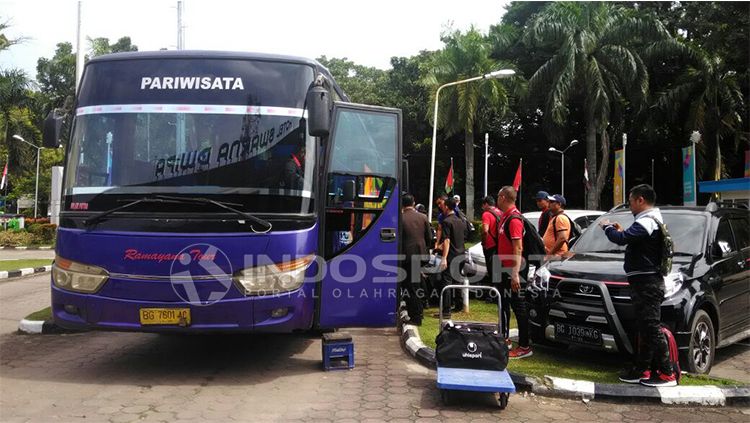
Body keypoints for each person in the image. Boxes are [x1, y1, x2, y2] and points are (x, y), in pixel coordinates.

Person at [601, 184, 676, 387]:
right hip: (644, 282)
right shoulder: (648, 221)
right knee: (644, 327)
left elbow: (622, 239)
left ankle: (666, 373)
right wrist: (622, 231)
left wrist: (607, 227)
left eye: (631, 201)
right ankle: (642, 369)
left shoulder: (647, 220)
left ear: (640, 200)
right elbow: (632, 237)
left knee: (651, 327)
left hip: (648, 283)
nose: (630, 205)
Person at [496, 185, 533, 359]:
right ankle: (506, 338)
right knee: (505, 303)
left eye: (498, 196)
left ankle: (525, 345)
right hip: (505, 269)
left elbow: (518, 248)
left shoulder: (515, 219)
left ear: (503, 197)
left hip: (515, 270)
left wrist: (515, 274)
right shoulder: (505, 217)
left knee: (519, 307)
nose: (497, 199)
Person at [400, 194, 431, 326]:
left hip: (406, 256)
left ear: (402, 204)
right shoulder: (423, 217)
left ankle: (416, 317)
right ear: (413, 203)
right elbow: (428, 237)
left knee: (410, 287)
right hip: (420, 254)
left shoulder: (400, 218)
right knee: (415, 285)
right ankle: (419, 311)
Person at [437, 195, 465, 318]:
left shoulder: (446, 221)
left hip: (452, 255)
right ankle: (459, 305)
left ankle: (446, 311)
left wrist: (444, 258)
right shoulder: (460, 220)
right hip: (461, 254)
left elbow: (447, 241)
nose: (441, 207)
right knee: (458, 280)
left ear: (447, 207)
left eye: (443, 205)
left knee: (446, 282)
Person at [480, 195, 502, 302]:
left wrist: (484, 242)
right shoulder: (500, 212)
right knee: (497, 271)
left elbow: (485, 230)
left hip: (490, 245)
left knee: (492, 271)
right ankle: (498, 293)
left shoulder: (487, 214)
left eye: (483, 205)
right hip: (500, 245)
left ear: (486, 204)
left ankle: (492, 295)